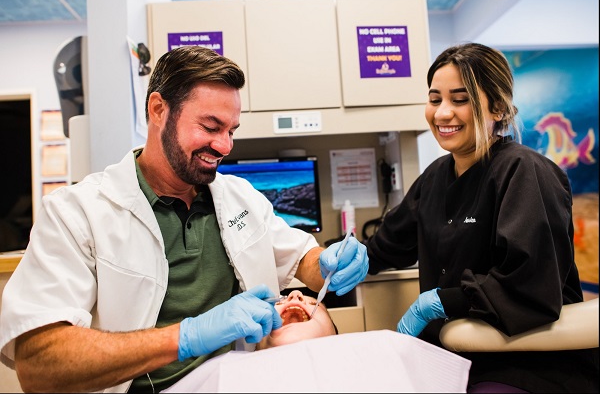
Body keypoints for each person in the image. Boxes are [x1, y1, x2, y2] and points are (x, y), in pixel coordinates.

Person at [0, 45, 369, 393]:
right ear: (158, 109)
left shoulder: (239, 197)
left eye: (231, 131)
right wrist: (186, 336)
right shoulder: (76, 213)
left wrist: (326, 263)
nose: (225, 146)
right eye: (210, 127)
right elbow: (38, 365)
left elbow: (299, 259)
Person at [366, 42, 599, 393]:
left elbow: (530, 284)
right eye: (435, 99)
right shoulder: (435, 178)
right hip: (453, 356)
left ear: (499, 109)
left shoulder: (525, 172)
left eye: (460, 100)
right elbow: (387, 246)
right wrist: (345, 258)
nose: (443, 113)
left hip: (524, 363)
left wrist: (442, 301)